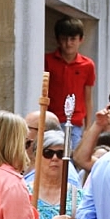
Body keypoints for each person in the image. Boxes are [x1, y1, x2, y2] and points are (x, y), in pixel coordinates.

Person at [45, 16, 95, 150]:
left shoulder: (87, 65)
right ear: (57, 40)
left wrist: (88, 127)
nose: (68, 43)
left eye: (73, 39)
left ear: (81, 40)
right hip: (51, 121)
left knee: (73, 159)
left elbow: (88, 97)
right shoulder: (47, 61)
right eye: (64, 39)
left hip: (75, 123)